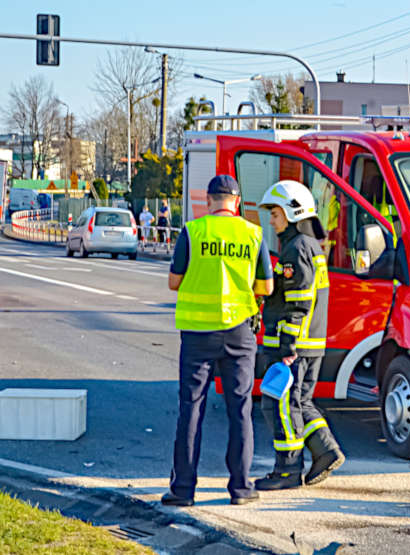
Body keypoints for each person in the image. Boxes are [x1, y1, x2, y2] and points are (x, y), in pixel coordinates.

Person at [162, 175, 274, 507]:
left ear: (209, 201)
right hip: (240, 333)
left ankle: (183, 490)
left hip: (198, 334)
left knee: (191, 408)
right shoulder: (253, 235)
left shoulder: (193, 232)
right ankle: (240, 488)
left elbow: (173, 281)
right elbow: (266, 287)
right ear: (236, 203)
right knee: (240, 409)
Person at [254, 179, 344, 490]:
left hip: (296, 345)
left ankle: (287, 471)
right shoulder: (309, 247)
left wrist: (287, 343)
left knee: (279, 404)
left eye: (276, 214)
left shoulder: (296, 249)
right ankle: (325, 451)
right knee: (301, 403)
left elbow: (299, 302)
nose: (272, 220)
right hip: (309, 344)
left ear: (293, 214)